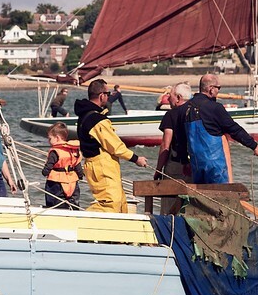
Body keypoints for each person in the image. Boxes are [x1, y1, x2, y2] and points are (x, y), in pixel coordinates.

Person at [76, 79, 147, 213]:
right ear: (102, 95)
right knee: (111, 203)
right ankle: (80, 223)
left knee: (121, 203)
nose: (109, 96)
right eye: (108, 93)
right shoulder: (96, 120)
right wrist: (136, 158)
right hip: (101, 166)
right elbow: (115, 146)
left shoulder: (86, 115)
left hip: (103, 165)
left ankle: (122, 230)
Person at [184, 74, 258, 184]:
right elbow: (234, 130)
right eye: (218, 88)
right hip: (215, 167)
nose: (218, 91)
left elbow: (181, 137)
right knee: (222, 197)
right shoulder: (215, 108)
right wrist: (255, 146)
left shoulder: (185, 108)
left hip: (196, 166)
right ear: (211, 89)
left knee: (200, 198)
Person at [155, 82, 192, 214]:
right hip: (194, 166)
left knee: (169, 209)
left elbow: (166, 145)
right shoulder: (196, 112)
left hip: (176, 166)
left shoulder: (171, 115)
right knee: (189, 208)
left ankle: (167, 231)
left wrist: (158, 170)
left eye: (170, 96)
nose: (169, 99)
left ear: (178, 97)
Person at [42, 122, 83, 209]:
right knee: (74, 203)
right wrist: (80, 175)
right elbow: (77, 165)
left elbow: (49, 165)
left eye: (50, 139)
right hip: (72, 182)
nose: (48, 141)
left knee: (55, 203)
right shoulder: (73, 150)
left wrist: (45, 172)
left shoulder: (55, 151)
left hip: (56, 183)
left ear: (57, 138)